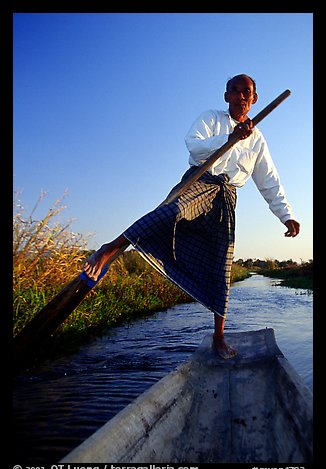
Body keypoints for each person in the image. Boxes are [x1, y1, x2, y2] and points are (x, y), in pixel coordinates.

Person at [83, 73, 300, 359]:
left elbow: (269, 180)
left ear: (254, 99)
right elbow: (193, 144)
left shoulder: (258, 140)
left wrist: (286, 215)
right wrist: (230, 138)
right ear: (226, 96)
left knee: (220, 261)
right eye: (234, 91)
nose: (240, 96)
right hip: (200, 180)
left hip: (226, 197)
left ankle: (218, 337)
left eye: (246, 91)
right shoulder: (212, 118)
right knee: (167, 214)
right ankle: (108, 251)